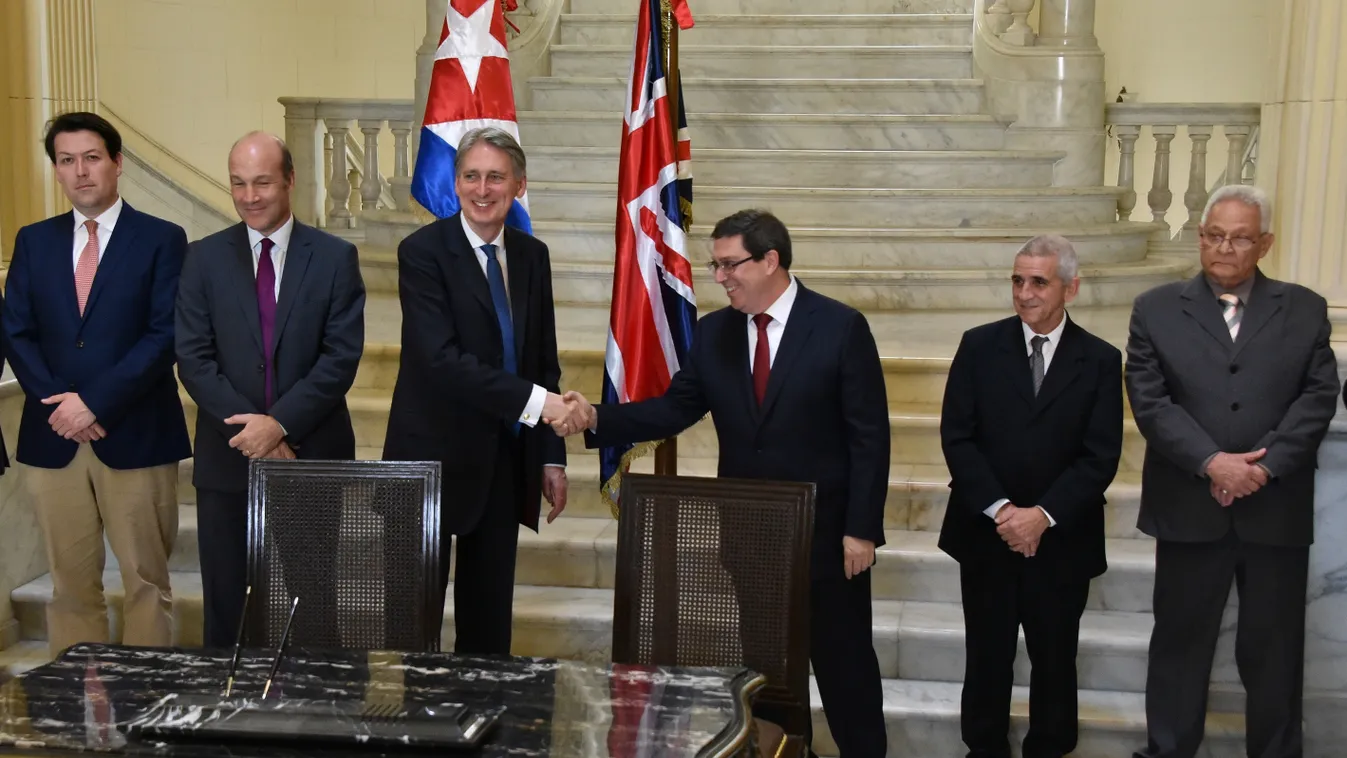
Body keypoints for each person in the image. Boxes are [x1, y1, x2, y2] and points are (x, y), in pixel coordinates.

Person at [560, 209, 890, 757]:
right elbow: (673, 409)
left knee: (845, 669)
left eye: (731, 264)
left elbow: (869, 438)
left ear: (770, 261)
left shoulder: (839, 326)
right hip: (750, 537)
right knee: (768, 672)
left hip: (828, 538)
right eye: (715, 265)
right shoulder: (714, 333)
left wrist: (862, 530)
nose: (721, 277)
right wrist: (597, 417)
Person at [1126, 184, 1339, 758]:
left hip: (1275, 512)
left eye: (1240, 238)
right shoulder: (1155, 309)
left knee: (1273, 653)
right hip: (1189, 509)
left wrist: (1261, 470)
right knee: (1179, 645)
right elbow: (1150, 401)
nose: (1224, 248)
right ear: (1200, 238)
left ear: (1264, 243)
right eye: (1214, 235)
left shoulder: (1305, 308)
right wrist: (1212, 462)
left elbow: (1317, 400)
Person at [382, 127, 582, 655]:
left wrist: (550, 457)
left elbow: (543, 360)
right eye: (471, 176)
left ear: (518, 185)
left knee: (489, 627)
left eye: (496, 176)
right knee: (415, 625)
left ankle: (485, 728)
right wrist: (541, 406)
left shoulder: (532, 256)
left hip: (502, 461)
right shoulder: (421, 253)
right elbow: (441, 361)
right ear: (455, 183)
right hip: (430, 463)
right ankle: (421, 733)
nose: (482, 188)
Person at [3, 111, 190, 655]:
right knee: (69, 587)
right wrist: (60, 405)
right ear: (57, 172)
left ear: (116, 163)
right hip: (53, 436)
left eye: (91, 158)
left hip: (134, 434)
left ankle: (144, 710)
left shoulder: (162, 239)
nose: (80, 171)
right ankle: (75, 715)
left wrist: (96, 403)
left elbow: (165, 334)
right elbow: (16, 330)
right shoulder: (34, 241)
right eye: (67, 161)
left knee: (146, 586)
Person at [175, 131, 366, 648]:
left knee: (312, 597)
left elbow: (340, 358)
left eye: (262, 182)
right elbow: (193, 359)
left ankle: (313, 712)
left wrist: (280, 425)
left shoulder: (333, 257)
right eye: (238, 183)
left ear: (290, 180)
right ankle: (230, 715)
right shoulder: (202, 259)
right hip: (226, 456)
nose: (249, 196)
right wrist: (254, 431)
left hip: (310, 455)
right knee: (226, 603)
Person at [938, 234, 1123, 758]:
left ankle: (1050, 747)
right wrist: (1004, 512)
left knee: (1055, 658)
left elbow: (1100, 456)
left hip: (1063, 541)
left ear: (1072, 287)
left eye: (1038, 281)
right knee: (987, 656)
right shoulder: (978, 345)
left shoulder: (1102, 360)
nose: (1024, 292)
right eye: (1017, 280)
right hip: (986, 535)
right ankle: (985, 747)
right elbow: (958, 437)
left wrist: (1042, 516)